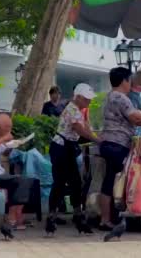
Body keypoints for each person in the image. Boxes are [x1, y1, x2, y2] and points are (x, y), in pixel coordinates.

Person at [98, 67, 141, 231]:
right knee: (122, 181)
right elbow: (135, 118)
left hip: (107, 143)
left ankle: (106, 219)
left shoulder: (109, 97)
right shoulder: (121, 98)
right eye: (129, 80)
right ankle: (118, 216)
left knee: (109, 181)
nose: (131, 83)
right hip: (118, 144)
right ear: (124, 81)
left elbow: (136, 114)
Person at [48, 83, 99, 231]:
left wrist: (94, 134)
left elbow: (85, 128)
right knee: (61, 182)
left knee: (74, 181)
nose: (88, 102)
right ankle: (54, 215)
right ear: (78, 97)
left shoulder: (78, 110)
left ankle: (76, 213)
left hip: (66, 147)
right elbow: (81, 130)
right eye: (86, 99)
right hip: (61, 148)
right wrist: (97, 140)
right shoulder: (73, 110)